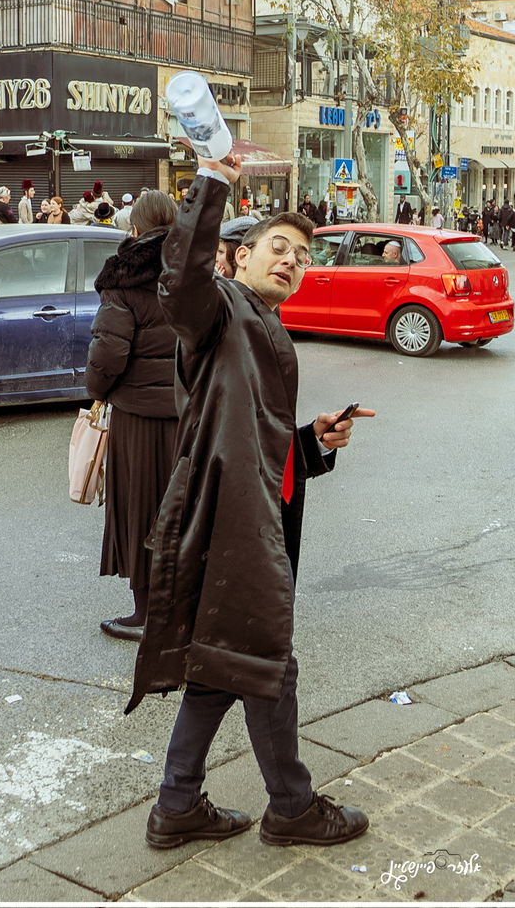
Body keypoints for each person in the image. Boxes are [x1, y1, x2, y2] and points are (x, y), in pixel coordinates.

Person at [128, 152, 373, 850]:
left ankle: (176, 804)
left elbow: (252, 436)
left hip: (243, 520)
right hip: (227, 527)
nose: (293, 260)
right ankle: (291, 806)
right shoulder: (218, 312)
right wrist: (211, 182)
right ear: (237, 259)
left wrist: (313, 442)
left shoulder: (261, 325)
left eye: (302, 254)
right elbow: (177, 280)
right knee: (268, 659)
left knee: (222, 665)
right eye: (278, 247)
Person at [85, 191, 181, 642]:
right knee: (182, 508)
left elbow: (108, 352)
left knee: (141, 508)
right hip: (189, 413)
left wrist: (98, 392)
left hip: (139, 416)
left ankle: (146, 616)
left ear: (135, 229)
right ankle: (185, 609)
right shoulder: (193, 273)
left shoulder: (124, 279)